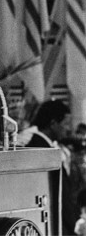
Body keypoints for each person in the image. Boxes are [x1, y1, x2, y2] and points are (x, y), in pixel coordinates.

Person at [26, 99, 82, 235]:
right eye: (66, 123)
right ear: (53, 123)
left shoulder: (40, 147)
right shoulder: (41, 152)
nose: (69, 129)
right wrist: (75, 225)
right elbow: (60, 197)